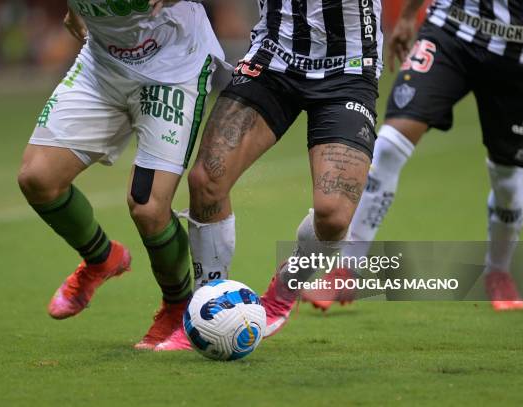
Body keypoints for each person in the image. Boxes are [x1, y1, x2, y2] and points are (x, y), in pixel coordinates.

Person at [156, 0, 385, 350]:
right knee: (206, 180)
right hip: (274, 58)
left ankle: (282, 294)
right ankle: (207, 310)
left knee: (334, 216)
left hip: (349, 68)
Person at [17, 0, 225, 350]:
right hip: (103, 65)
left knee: (147, 207)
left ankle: (177, 307)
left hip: (172, 68)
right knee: (38, 178)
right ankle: (102, 258)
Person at [306, 0, 523, 312]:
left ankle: (499, 270)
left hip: (517, 54)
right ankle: (346, 269)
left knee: (508, 180)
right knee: (388, 147)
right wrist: (410, 14)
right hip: (450, 32)